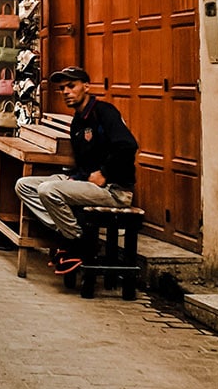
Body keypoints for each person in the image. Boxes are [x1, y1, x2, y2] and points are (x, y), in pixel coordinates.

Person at [15, 67, 137, 273]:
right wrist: (74, 178)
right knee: (24, 185)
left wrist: (105, 173)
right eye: (62, 88)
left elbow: (127, 145)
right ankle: (74, 233)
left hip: (113, 190)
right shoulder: (78, 122)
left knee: (48, 190)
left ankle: (76, 243)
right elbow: (83, 163)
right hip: (86, 183)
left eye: (71, 86)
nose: (66, 92)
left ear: (86, 87)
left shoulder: (104, 112)